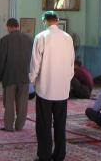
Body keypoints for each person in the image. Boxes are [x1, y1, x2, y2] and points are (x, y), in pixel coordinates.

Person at [29, 11, 75, 161]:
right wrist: (65, 81)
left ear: (44, 21)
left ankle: (44, 155)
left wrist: (32, 79)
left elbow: (35, 63)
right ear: (58, 21)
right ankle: (60, 154)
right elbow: (71, 63)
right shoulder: (68, 38)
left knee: (44, 124)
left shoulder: (41, 37)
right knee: (60, 124)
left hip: (45, 89)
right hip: (62, 90)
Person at [0, 17, 33, 131]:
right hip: (25, 76)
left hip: (10, 76)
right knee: (23, 103)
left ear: (8, 27)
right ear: (18, 26)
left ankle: (9, 126)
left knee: (9, 102)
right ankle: (20, 125)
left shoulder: (5, 40)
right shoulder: (29, 39)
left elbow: (1, 60)